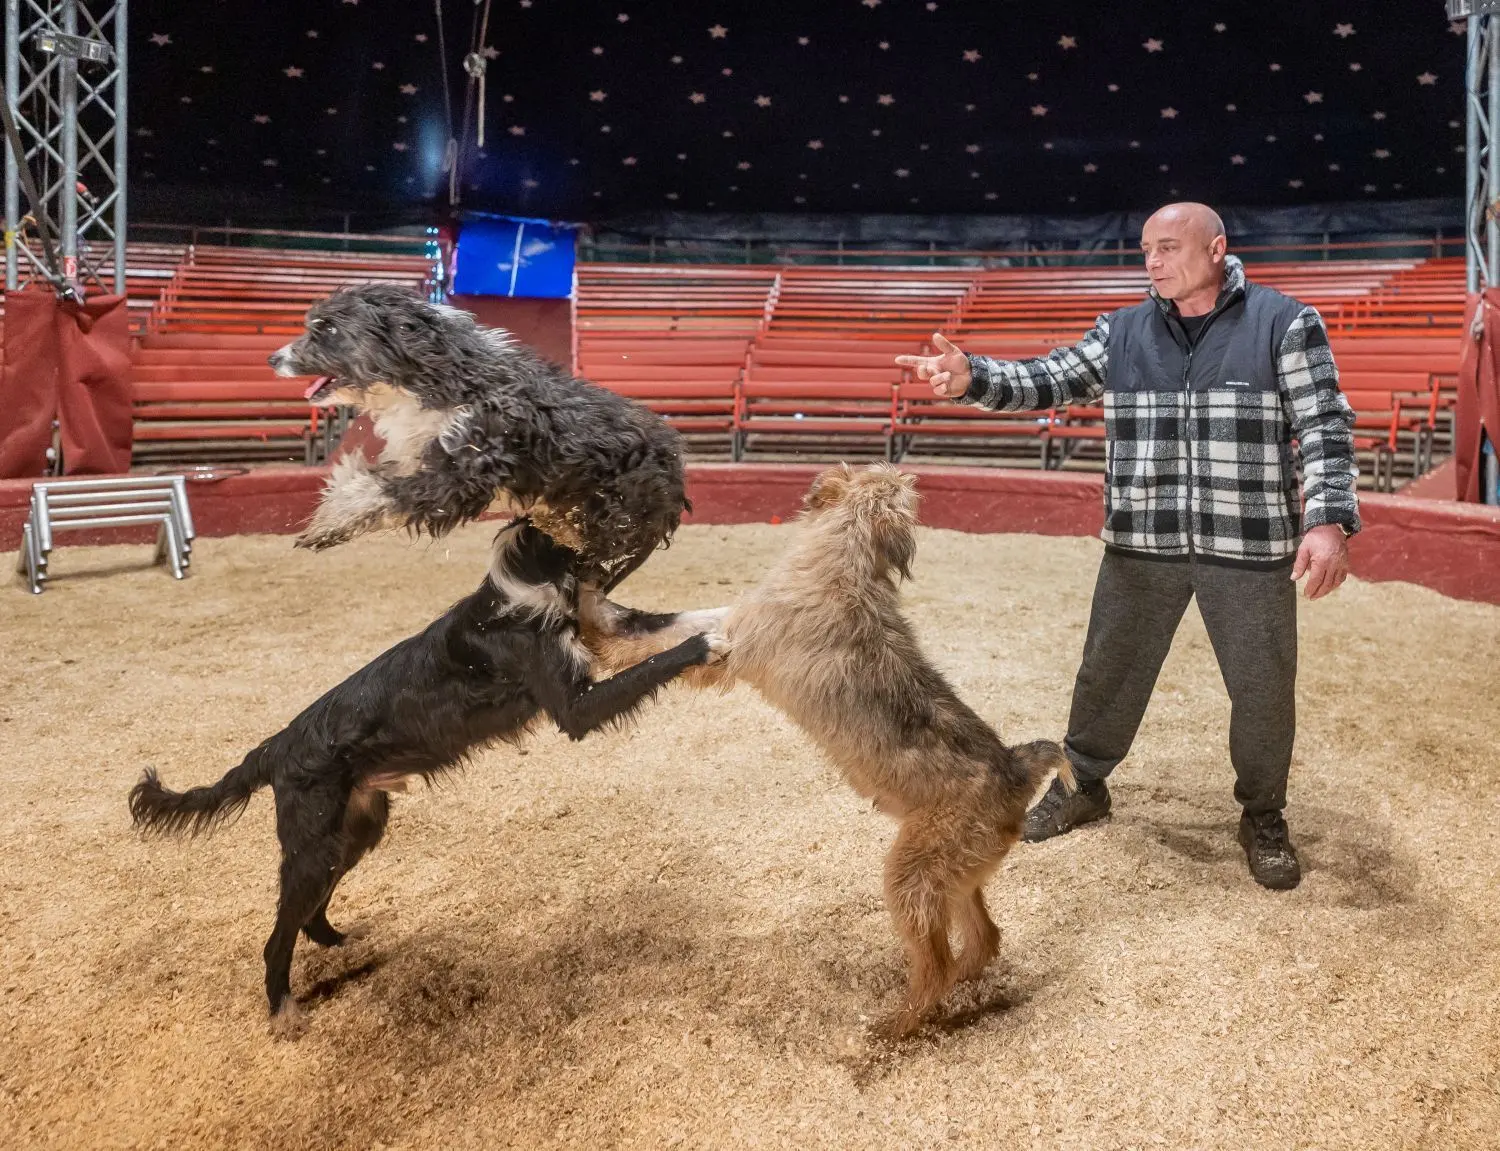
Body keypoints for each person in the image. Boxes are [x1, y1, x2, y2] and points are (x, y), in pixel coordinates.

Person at [895, 202, 1361, 891]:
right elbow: (1048, 377)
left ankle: (1263, 813)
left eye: (1169, 248)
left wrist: (1328, 521)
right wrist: (975, 378)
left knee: (1264, 690)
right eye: (1146, 250)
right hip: (1142, 539)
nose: (1153, 262)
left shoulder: (1286, 323)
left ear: (1216, 248)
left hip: (1250, 541)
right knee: (1107, 671)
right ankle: (1084, 783)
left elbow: (1325, 426)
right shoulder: (1121, 330)